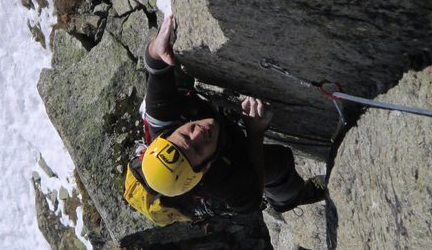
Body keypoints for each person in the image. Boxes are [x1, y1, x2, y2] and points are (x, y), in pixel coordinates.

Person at [136, 14, 324, 218]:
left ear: (168, 135)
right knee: (280, 162)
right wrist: (255, 132)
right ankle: (290, 199)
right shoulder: (221, 183)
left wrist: (158, 46)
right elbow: (251, 200)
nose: (198, 134)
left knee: (176, 70)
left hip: (199, 135)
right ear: (205, 168)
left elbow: (156, 62)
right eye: (198, 149)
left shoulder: (163, 119)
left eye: (185, 135)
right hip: (228, 160)